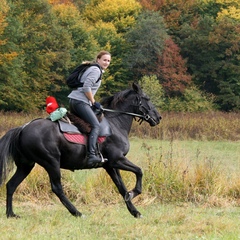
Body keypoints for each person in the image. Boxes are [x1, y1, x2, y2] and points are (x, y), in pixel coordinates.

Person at [68, 50, 111, 166]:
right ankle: (92, 155)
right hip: (80, 102)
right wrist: (93, 101)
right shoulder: (96, 70)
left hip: (74, 100)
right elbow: (87, 87)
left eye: (108, 61)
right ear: (98, 59)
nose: (106, 63)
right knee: (95, 125)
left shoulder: (92, 68)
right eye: (104, 60)